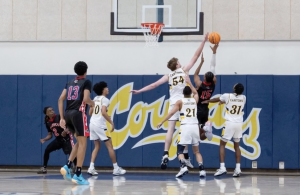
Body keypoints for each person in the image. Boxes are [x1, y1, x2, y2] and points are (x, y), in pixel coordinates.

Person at [131, 33, 212, 169]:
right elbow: (196, 56)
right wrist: (203, 40)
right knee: (187, 128)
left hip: (174, 104)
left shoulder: (168, 76)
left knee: (170, 130)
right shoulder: (184, 70)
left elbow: (154, 85)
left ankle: (165, 154)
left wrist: (139, 91)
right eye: (179, 61)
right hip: (185, 103)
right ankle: (188, 154)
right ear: (177, 64)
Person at [157, 76, 206, 178]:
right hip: (194, 127)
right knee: (197, 151)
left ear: (183, 94)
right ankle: (202, 170)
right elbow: (196, 93)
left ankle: (183, 167)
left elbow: (171, 113)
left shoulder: (180, 102)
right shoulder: (194, 100)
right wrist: (190, 83)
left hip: (185, 127)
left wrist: (162, 121)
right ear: (190, 93)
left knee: (179, 150)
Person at [58, 61, 95, 185]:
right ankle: (78, 174)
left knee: (79, 142)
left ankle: (68, 166)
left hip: (68, 114)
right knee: (83, 144)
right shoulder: (86, 82)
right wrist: (93, 103)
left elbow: (60, 99)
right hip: (78, 113)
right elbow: (85, 99)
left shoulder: (68, 83)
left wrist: (62, 118)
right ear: (85, 71)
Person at [202, 83, 246, 177]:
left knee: (222, 144)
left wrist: (208, 101)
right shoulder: (244, 98)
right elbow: (233, 100)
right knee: (237, 146)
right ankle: (238, 169)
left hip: (229, 123)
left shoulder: (227, 96)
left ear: (234, 88)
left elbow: (217, 99)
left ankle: (222, 168)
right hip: (239, 124)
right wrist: (224, 102)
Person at [87, 81, 126, 176]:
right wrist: (111, 122)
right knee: (110, 146)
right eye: (106, 88)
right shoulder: (105, 100)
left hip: (92, 124)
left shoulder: (95, 98)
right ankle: (116, 168)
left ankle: (91, 167)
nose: (108, 89)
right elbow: (103, 112)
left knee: (97, 146)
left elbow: (90, 113)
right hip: (100, 125)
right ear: (103, 90)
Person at [37, 107, 77, 174]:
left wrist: (66, 130)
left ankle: (76, 167)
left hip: (67, 138)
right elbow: (50, 135)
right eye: (49, 111)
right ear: (46, 113)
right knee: (47, 150)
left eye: (52, 110)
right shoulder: (48, 122)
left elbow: (71, 125)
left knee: (72, 152)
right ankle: (44, 168)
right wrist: (44, 139)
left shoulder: (60, 117)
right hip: (58, 139)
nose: (52, 111)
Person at [194, 44, 219, 140]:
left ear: (204, 77)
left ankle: (204, 127)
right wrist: (214, 52)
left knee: (195, 126)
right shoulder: (213, 84)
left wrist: (201, 63)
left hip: (198, 108)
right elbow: (213, 66)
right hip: (205, 109)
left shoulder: (200, 84)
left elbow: (195, 74)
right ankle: (206, 129)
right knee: (202, 137)